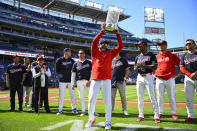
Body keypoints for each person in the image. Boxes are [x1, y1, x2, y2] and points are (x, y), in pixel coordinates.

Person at [85, 23, 123, 130]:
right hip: (95, 80)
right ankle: (91, 119)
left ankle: (108, 122)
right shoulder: (95, 52)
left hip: (106, 80)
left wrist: (118, 34)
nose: (104, 45)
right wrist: (102, 31)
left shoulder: (111, 53)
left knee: (107, 102)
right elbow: (94, 42)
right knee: (91, 100)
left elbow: (120, 46)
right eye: (102, 43)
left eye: (106, 43)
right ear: (99, 45)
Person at [134, 41, 160, 123]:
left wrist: (143, 65)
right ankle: (141, 115)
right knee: (140, 97)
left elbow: (155, 66)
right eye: (138, 45)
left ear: (145, 46)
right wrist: (136, 67)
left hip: (148, 76)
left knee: (152, 97)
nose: (139, 47)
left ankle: (156, 115)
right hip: (139, 77)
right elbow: (135, 69)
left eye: (140, 45)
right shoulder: (137, 57)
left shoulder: (151, 55)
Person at [154, 40, 180, 119]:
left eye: (162, 45)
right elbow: (152, 66)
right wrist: (153, 74)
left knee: (171, 96)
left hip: (170, 78)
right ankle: (160, 112)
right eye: (160, 45)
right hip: (159, 78)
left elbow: (181, 64)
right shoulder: (156, 56)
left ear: (166, 45)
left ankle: (173, 113)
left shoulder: (172, 55)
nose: (161, 46)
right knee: (159, 96)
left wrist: (178, 74)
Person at [56, 48, 78, 115]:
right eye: (69, 52)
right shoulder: (59, 60)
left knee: (72, 95)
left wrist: (74, 81)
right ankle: (60, 109)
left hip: (70, 81)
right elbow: (57, 70)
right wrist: (61, 77)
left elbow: (75, 70)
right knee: (61, 96)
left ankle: (74, 109)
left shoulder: (72, 60)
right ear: (65, 52)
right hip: (62, 81)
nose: (70, 53)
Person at [180, 39, 197, 123]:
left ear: (194, 44)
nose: (188, 45)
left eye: (190, 43)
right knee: (188, 99)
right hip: (188, 78)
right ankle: (190, 116)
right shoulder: (184, 56)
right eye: (186, 44)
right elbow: (181, 67)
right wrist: (189, 74)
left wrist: (195, 73)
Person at [71, 49, 92, 116]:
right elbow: (73, 74)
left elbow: (92, 72)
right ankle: (83, 111)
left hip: (87, 81)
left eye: (82, 53)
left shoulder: (88, 62)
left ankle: (91, 111)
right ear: (78, 54)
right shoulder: (75, 63)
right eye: (80, 53)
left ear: (84, 54)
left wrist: (90, 81)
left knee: (91, 97)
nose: (81, 54)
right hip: (79, 81)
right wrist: (72, 84)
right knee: (81, 97)